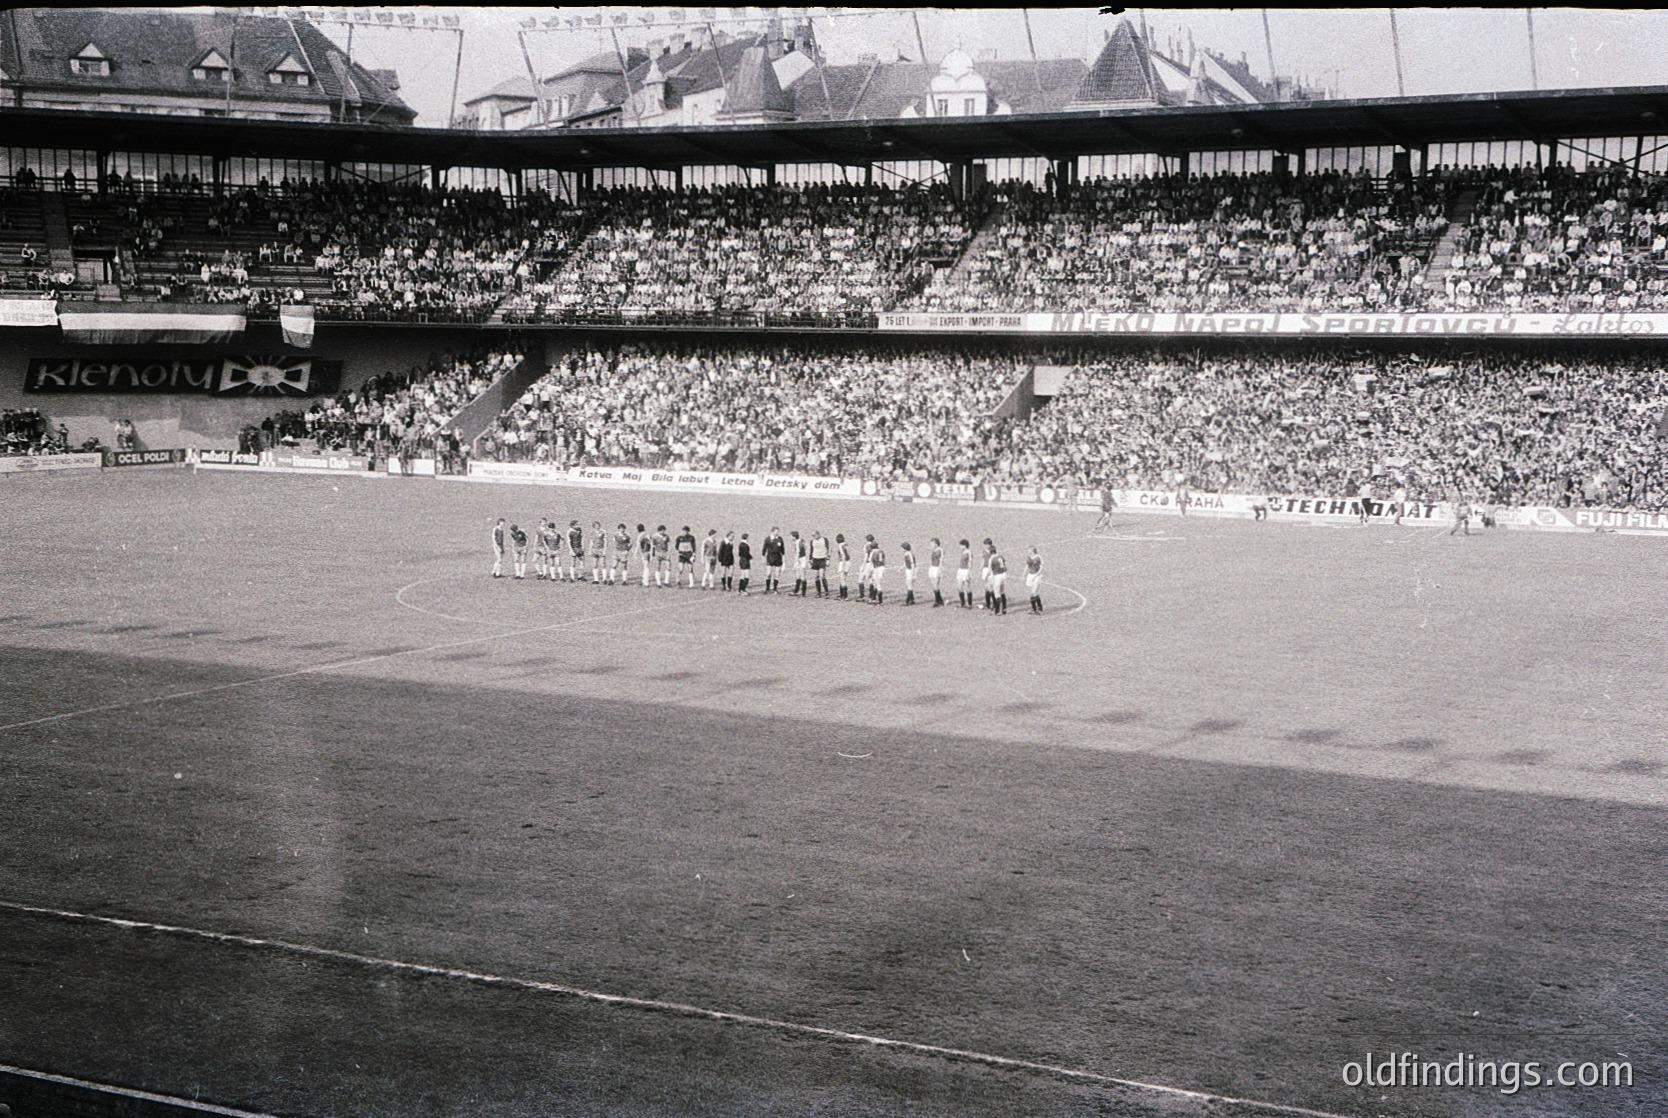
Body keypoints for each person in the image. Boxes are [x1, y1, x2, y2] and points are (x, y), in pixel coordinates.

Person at [762, 527, 786, 594]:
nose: (777, 533)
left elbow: (783, 550)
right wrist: (763, 557)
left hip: (778, 558)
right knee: (768, 573)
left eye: (778, 531)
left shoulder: (780, 539)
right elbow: (764, 549)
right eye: (776, 531)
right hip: (770, 557)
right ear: (772, 532)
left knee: (777, 574)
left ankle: (775, 589)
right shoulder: (768, 539)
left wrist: (784, 561)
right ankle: (767, 588)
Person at [988, 543, 1009, 615]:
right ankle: (1004, 609)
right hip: (1003, 575)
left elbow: (989, 570)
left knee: (997, 593)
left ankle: (997, 611)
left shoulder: (991, 559)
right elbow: (1005, 566)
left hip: (997, 576)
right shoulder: (1000, 556)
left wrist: (987, 577)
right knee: (1002, 592)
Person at [809, 529, 830, 598]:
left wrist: (828, 558)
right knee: (816, 577)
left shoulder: (824, 540)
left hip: (822, 559)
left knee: (822, 575)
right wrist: (810, 560)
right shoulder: (812, 541)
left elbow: (828, 549)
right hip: (815, 559)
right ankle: (818, 592)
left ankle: (827, 592)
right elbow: (811, 551)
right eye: (812, 536)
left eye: (814, 535)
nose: (814, 537)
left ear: (818, 534)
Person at [1024, 545, 1044, 614]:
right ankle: (1035, 609)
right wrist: (1024, 574)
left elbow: (1041, 567)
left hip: (1037, 576)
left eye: (1029, 550)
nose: (1028, 551)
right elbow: (1027, 566)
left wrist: (1038, 574)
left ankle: (1039, 608)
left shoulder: (1038, 557)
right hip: (1030, 575)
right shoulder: (1029, 557)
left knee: (1034, 592)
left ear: (1032, 551)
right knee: (1033, 593)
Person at [790, 530, 809, 597]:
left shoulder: (797, 543)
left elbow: (797, 553)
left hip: (801, 559)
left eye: (791, 536)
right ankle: (797, 591)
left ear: (794, 537)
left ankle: (803, 593)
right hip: (802, 558)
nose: (790, 538)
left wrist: (795, 563)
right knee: (798, 576)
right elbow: (806, 546)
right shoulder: (801, 540)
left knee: (802, 576)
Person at [868, 539, 887, 605]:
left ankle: (879, 601)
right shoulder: (881, 551)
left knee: (876, 584)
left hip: (876, 568)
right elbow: (883, 560)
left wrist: (869, 572)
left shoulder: (873, 552)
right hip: (882, 568)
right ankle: (874, 598)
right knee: (877, 583)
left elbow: (870, 562)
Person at [957, 539, 974, 608]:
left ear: (964, 545)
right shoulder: (962, 552)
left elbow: (970, 563)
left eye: (961, 545)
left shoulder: (969, 552)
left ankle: (969, 603)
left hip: (966, 570)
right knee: (959, 587)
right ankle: (962, 602)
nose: (960, 547)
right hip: (960, 570)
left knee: (967, 587)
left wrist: (968, 573)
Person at [928, 537, 944, 607]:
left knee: (936, 584)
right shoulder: (933, 550)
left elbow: (941, 560)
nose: (931, 545)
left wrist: (940, 569)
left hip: (937, 568)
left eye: (932, 543)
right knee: (933, 585)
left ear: (936, 544)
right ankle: (939, 600)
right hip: (932, 567)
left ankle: (937, 601)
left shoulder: (940, 550)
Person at [835, 532, 851, 600]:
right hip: (848, 562)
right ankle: (842, 595)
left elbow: (843, 555)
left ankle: (844, 596)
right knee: (843, 579)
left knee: (842, 579)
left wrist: (843, 567)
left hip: (843, 563)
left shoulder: (840, 546)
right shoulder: (845, 545)